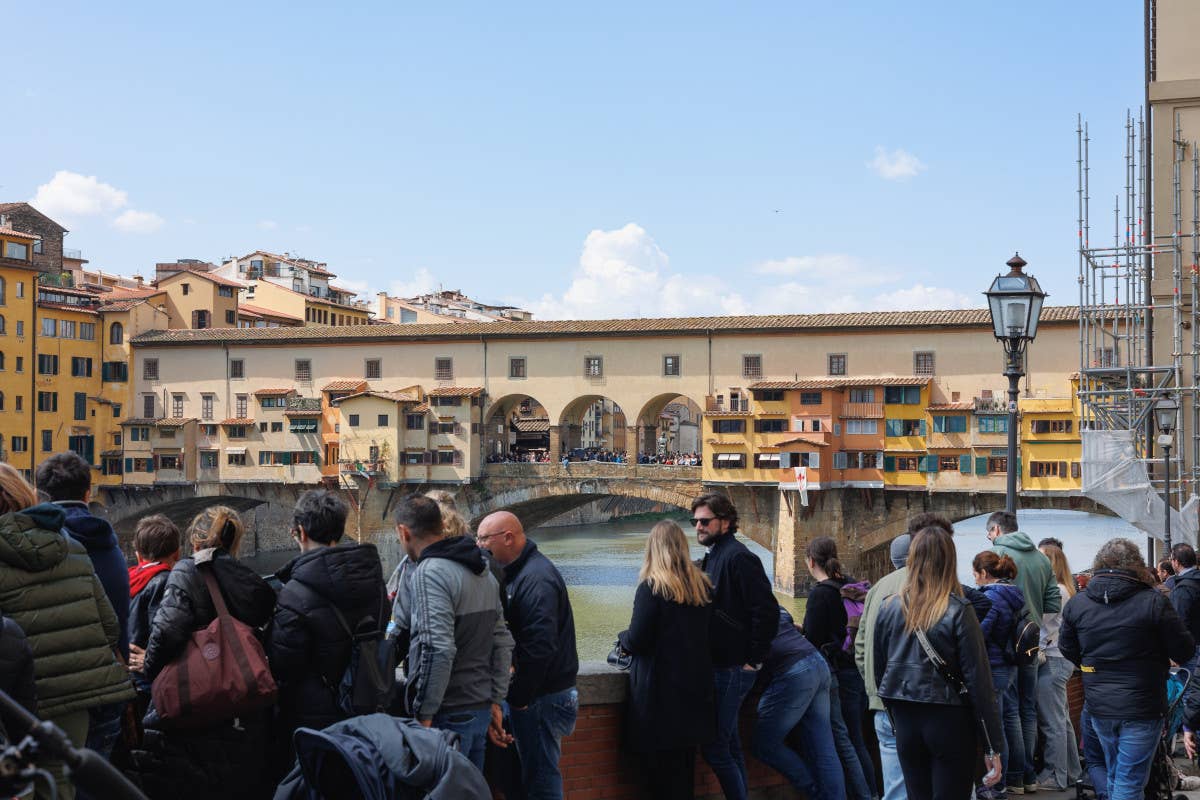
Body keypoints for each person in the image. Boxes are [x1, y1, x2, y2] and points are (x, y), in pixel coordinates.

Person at [0, 463, 133, 800]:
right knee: (63, 785)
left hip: (19, 702)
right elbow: (109, 626)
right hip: (81, 699)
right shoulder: (69, 543)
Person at [138, 506, 277, 800]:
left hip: (195, 702)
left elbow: (167, 630)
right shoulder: (251, 581)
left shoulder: (187, 571)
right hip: (242, 705)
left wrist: (147, 667)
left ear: (195, 541)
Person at [856, 512, 992, 800]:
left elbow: (878, 666)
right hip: (949, 718)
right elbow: (979, 681)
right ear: (949, 560)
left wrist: (892, 709)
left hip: (905, 717)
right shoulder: (958, 608)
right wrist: (993, 744)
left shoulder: (888, 605)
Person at [1060, 537, 1195, 800]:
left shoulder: (1079, 604)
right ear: (1137, 566)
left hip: (1099, 703)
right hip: (1143, 703)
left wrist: (1092, 666)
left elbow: (1068, 648)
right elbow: (1184, 650)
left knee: (1116, 775)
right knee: (1128, 781)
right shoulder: (1153, 602)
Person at [269, 490, 391, 768]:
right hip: (366, 703)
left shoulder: (294, 592)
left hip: (313, 717)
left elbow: (284, 665)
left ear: (299, 532)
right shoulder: (374, 581)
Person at [391, 495, 513, 772]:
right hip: (479, 707)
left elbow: (438, 648)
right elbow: (503, 642)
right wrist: (495, 700)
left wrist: (424, 714)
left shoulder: (429, 572)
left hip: (447, 711)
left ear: (404, 532)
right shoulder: (482, 571)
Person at [36, 451, 131, 773]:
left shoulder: (40, 543)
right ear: (88, 493)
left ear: (40, 494)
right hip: (107, 682)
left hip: (53, 689)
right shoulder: (110, 543)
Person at [475, 511, 578, 799]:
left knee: (541, 779)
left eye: (483, 538)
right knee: (529, 776)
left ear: (508, 538)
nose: (479, 545)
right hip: (538, 694)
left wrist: (519, 698)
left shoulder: (536, 579)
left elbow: (540, 647)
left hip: (541, 697)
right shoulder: (522, 572)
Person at [617, 520, 715, 799]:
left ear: (653, 550)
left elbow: (637, 640)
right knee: (683, 774)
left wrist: (623, 636)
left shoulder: (652, 588)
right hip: (695, 694)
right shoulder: (703, 587)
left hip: (659, 698)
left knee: (657, 778)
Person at [689, 492, 777, 800]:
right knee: (729, 744)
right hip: (723, 663)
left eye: (704, 521)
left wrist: (753, 659)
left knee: (715, 748)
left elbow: (766, 610)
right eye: (695, 521)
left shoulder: (739, 557)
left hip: (733, 666)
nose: (698, 526)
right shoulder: (716, 555)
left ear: (725, 522)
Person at [987, 510, 1061, 795]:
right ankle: (1029, 774)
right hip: (1031, 643)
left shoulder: (996, 555)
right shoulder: (1042, 558)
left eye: (989, 534)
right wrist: (1036, 628)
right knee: (1028, 709)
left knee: (1009, 713)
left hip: (1004, 647)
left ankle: (1015, 776)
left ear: (995, 530)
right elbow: (1054, 603)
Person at [800, 537, 873, 800]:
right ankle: (870, 792)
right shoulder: (850, 584)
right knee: (857, 738)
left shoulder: (821, 594)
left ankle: (866, 795)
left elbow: (812, 638)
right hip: (859, 668)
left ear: (810, 562)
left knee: (848, 740)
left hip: (839, 672)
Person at [754, 604, 845, 800]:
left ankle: (815, 792)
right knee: (825, 748)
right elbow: (794, 624)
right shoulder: (772, 605)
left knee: (765, 745)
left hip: (794, 671)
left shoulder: (734, 607)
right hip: (817, 662)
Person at [971, 551, 1026, 800]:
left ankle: (997, 783)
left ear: (984, 574)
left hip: (994, 665)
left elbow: (980, 633)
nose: (974, 580)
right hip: (1009, 664)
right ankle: (1016, 775)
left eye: (975, 574)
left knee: (995, 726)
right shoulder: (1011, 592)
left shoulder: (992, 597)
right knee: (1009, 718)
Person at [1035, 543, 1083, 791]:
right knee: (1062, 721)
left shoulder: (1055, 590)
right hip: (1062, 659)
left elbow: (1038, 620)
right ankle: (1072, 772)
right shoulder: (1067, 589)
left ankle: (1056, 775)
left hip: (1052, 659)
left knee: (1052, 722)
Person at [126, 515, 182, 696]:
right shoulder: (165, 581)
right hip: (151, 671)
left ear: (138, 555)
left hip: (131, 669)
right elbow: (163, 633)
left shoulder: (127, 579)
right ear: (177, 553)